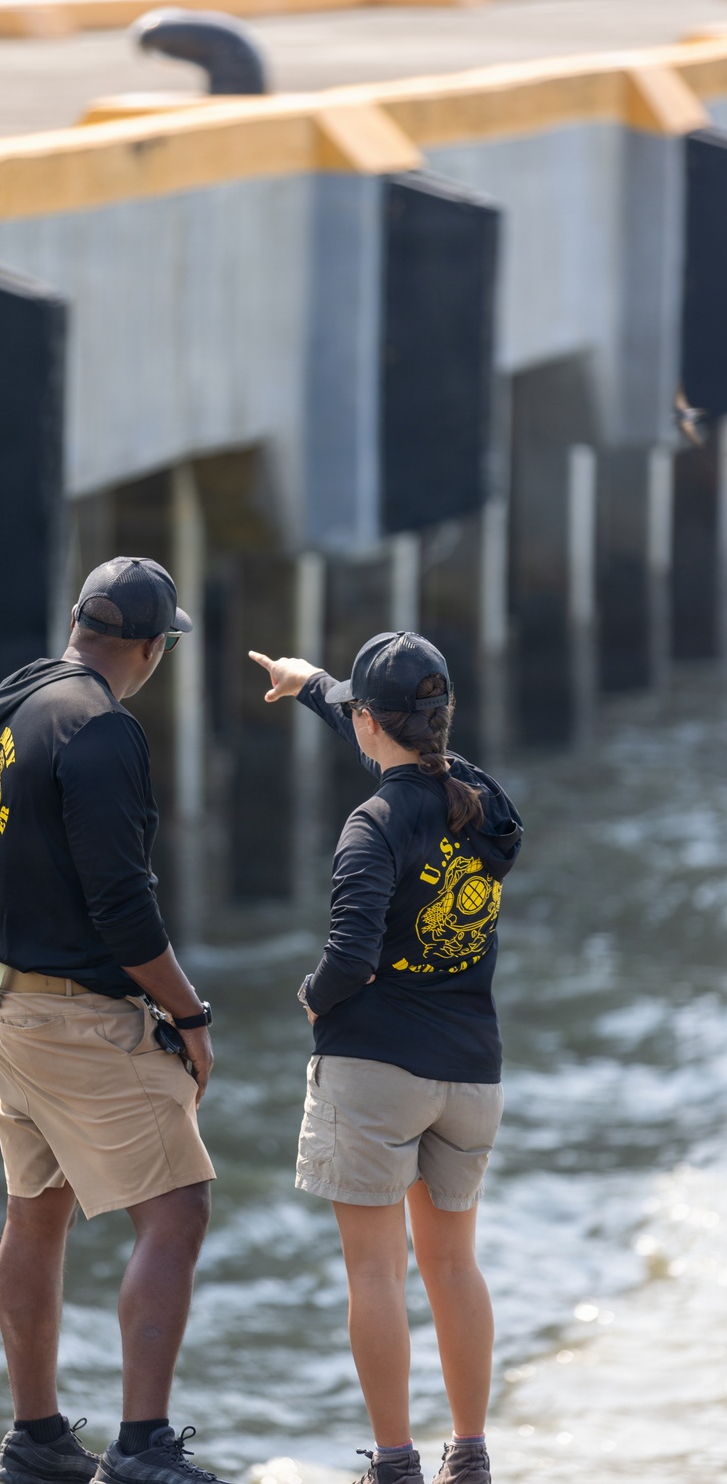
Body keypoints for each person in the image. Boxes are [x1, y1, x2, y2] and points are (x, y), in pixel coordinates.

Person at [0, 556, 229, 1484]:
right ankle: (142, 1446)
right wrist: (188, 1013)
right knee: (178, 1206)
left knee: (36, 1209)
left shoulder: (16, 709)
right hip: (71, 1014)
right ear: (152, 648)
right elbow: (125, 908)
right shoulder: (102, 731)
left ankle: (34, 1439)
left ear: (80, 625)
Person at [249, 634, 522, 1484]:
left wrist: (309, 999)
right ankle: (469, 1455)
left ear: (370, 724)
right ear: (443, 718)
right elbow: (409, 755)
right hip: (472, 1072)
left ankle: (395, 1463)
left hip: (377, 1068)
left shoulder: (371, 825)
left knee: (376, 1271)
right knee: (453, 1264)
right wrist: (312, 686)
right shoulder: (487, 802)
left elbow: (350, 959)